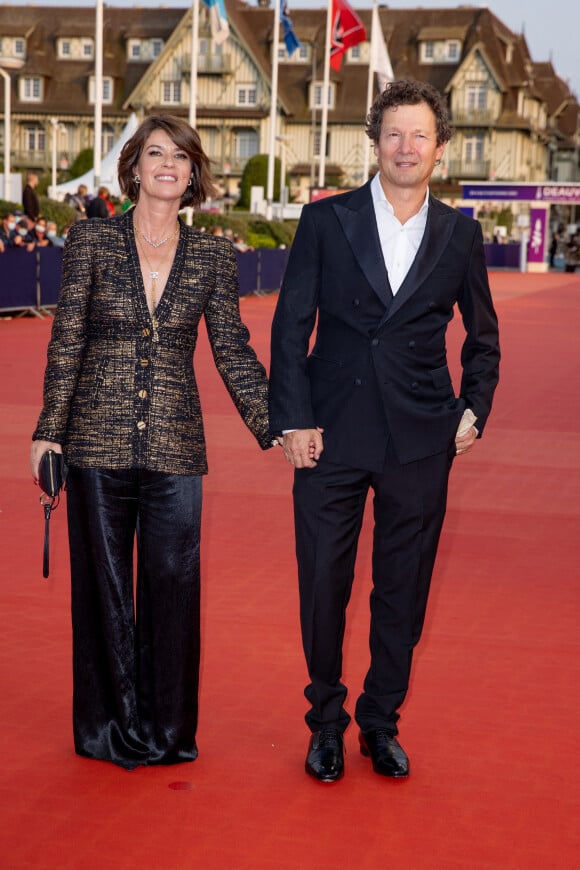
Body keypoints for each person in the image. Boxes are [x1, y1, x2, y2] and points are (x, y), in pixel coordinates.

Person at [269, 80, 500, 783]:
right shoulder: (326, 219)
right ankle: (326, 724)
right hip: (330, 434)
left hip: (421, 438)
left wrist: (474, 410)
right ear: (375, 142)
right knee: (323, 586)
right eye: (394, 134)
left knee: (403, 588)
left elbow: (482, 338)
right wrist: (292, 420)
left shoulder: (461, 233)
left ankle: (380, 722)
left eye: (419, 135)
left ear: (439, 147)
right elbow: (290, 325)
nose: (406, 147)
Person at [30, 114, 274, 770]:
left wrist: (275, 420)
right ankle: (110, 730)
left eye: (181, 156)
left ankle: (167, 731)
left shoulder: (215, 255)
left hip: (175, 446)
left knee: (172, 586)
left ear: (194, 174)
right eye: (155, 153)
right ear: (134, 166)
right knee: (105, 588)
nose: (168, 164)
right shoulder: (90, 240)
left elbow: (231, 348)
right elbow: (69, 338)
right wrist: (49, 430)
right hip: (94, 442)